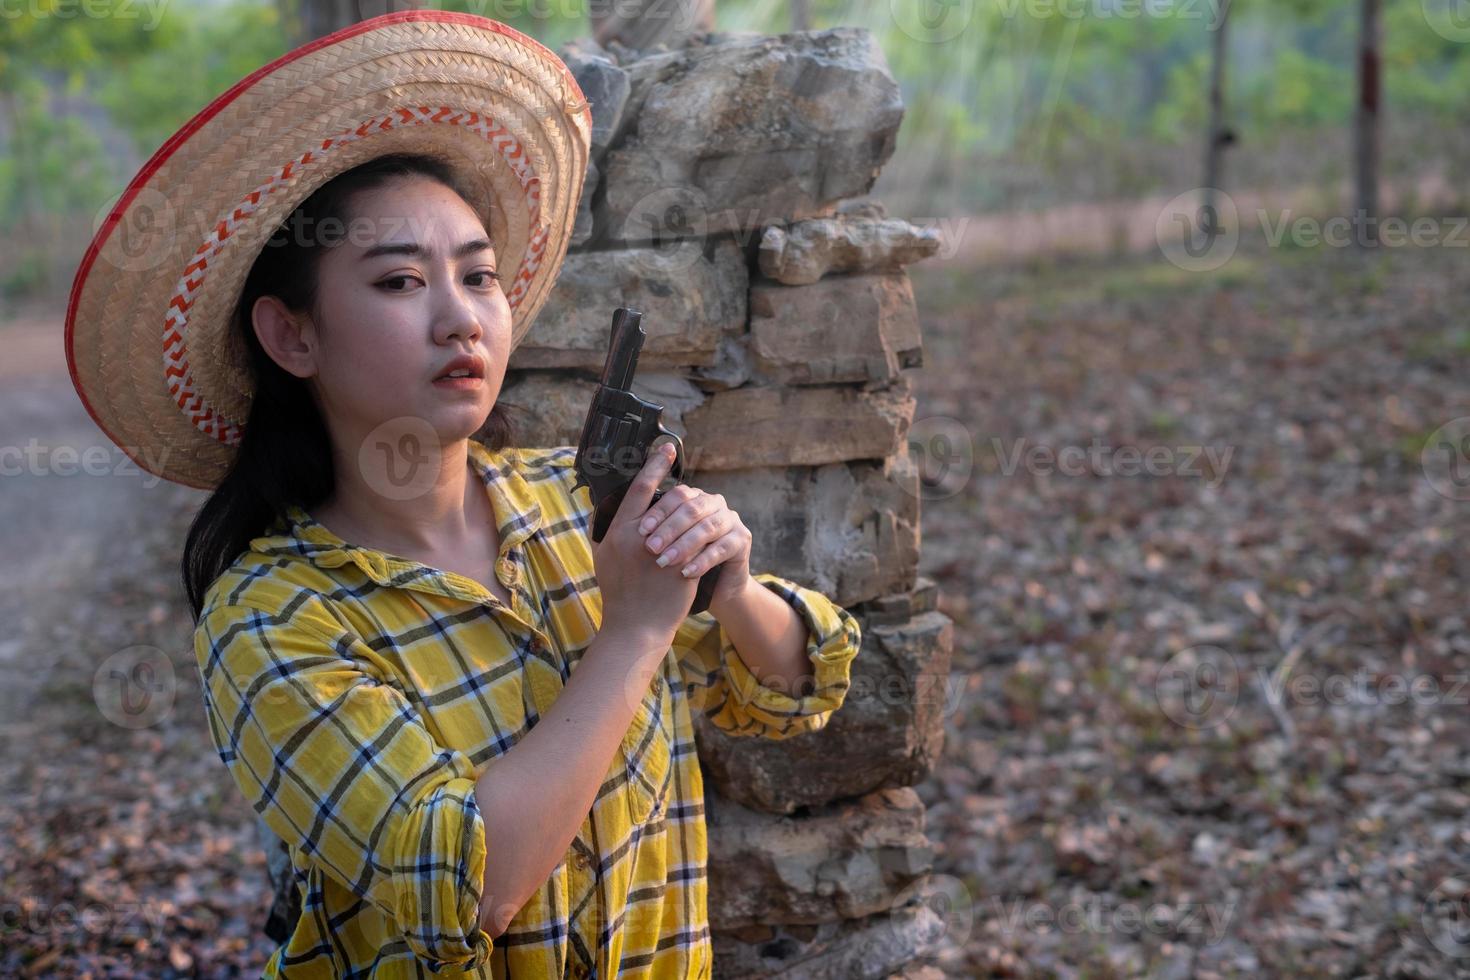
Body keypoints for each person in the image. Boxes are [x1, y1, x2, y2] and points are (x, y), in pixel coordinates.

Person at [66, 12, 861, 980]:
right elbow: (466, 884)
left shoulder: (571, 503)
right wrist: (632, 635)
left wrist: (729, 588)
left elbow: (794, 690)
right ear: (292, 336)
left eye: (479, 275)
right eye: (401, 280)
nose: (461, 320)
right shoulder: (273, 621)